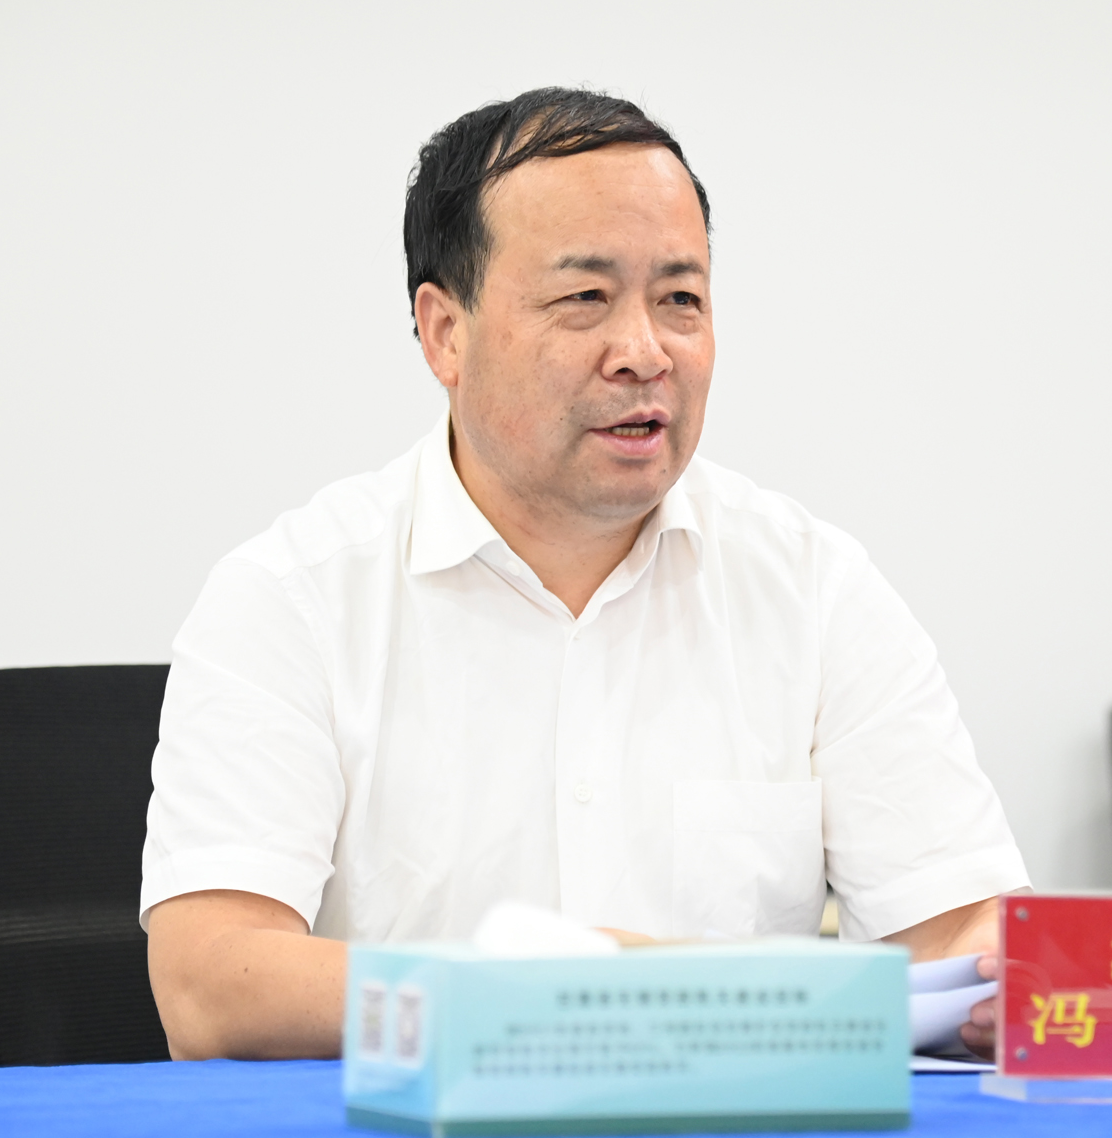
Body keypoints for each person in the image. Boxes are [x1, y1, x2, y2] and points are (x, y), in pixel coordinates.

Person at [141, 87, 1028, 1061]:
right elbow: (212, 985)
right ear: (444, 332)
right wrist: (569, 995)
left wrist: (1005, 973)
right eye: (584, 300)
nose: (644, 353)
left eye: (680, 299)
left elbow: (961, 935)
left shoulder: (813, 588)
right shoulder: (293, 597)